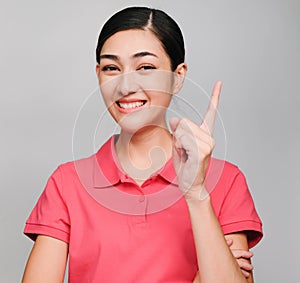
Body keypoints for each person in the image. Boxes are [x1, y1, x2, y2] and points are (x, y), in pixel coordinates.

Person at [22, 6, 263, 283]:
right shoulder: (67, 183)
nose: (126, 87)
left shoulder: (226, 181)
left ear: (178, 76)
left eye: (145, 68)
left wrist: (196, 194)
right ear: (98, 74)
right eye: (112, 68)